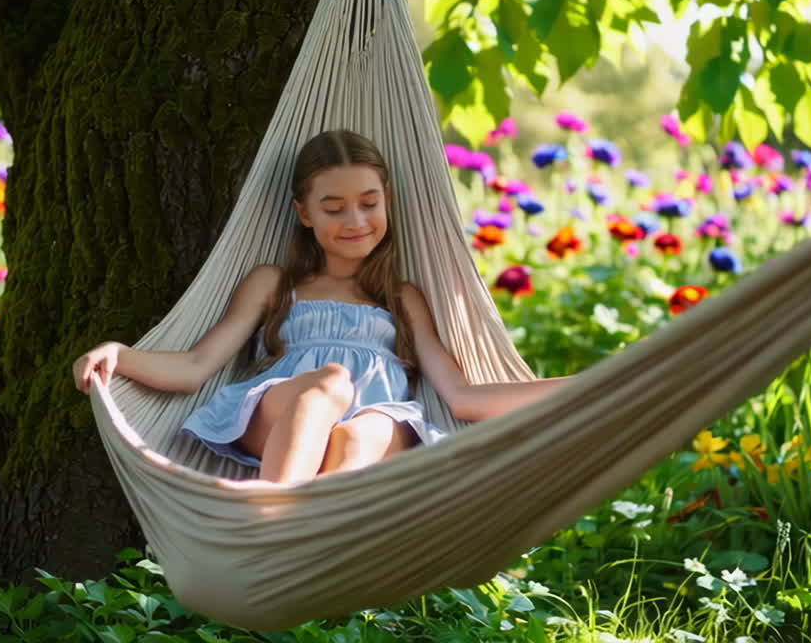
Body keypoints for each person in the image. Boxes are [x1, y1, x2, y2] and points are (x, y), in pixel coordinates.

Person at [73, 130, 572, 484]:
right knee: (330, 380)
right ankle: (272, 515)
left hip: (376, 427)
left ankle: (315, 540)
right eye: (334, 208)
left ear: (387, 202)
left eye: (369, 203)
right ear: (303, 213)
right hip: (281, 413)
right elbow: (194, 368)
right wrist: (121, 353)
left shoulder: (401, 298)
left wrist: (590, 388)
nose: (355, 220)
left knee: (363, 432)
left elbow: (462, 397)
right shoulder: (276, 284)